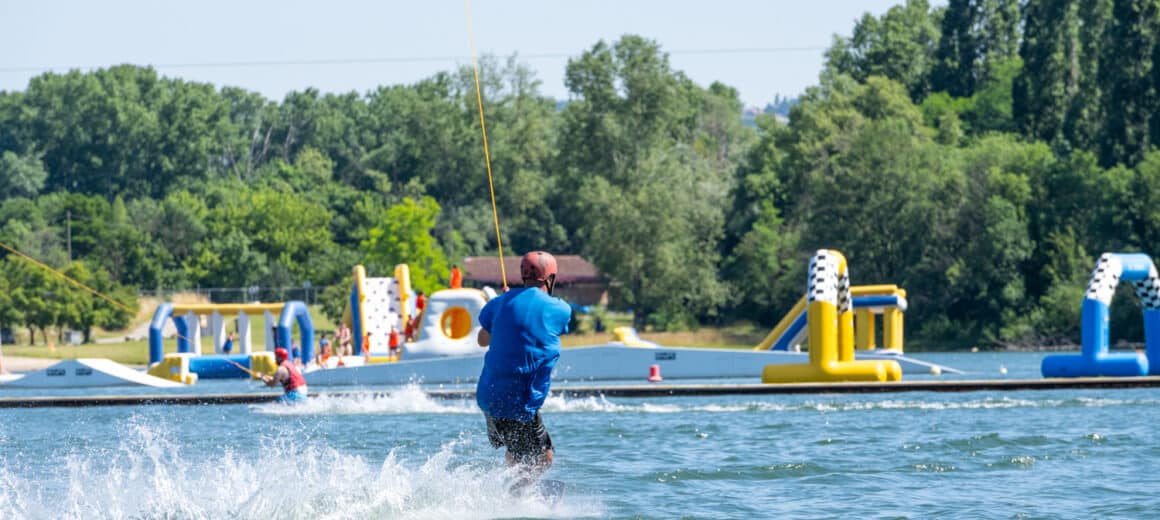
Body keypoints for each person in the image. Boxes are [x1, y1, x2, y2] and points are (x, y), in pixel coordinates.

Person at [475, 251, 571, 488]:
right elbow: (547, 326)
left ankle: (511, 486)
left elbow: (482, 340)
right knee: (543, 458)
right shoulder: (560, 309)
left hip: (489, 397)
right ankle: (516, 497)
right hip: (519, 402)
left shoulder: (497, 304)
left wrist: (505, 307)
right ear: (550, 278)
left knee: (516, 452)